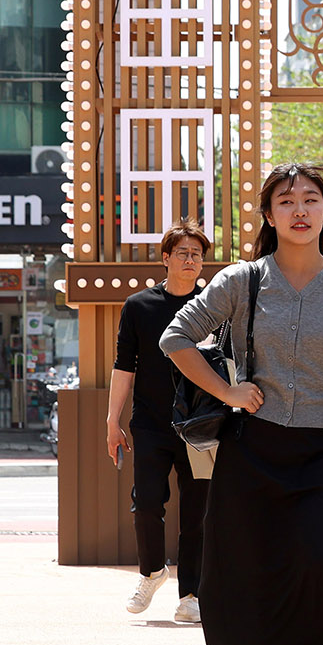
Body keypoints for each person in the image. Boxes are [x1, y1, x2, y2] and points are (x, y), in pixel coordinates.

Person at [160, 164, 323, 645]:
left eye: (311, 200)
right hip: (253, 449)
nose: (300, 210)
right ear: (269, 214)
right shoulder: (242, 280)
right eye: (287, 201)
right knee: (260, 573)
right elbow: (175, 337)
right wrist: (227, 391)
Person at [108, 221, 211, 622]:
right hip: (150, 424)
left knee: (197, 513)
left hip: (201, 426)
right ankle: (152, 571)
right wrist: (111, 420)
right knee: (146, 503)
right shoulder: (139, 306)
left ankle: (191, 595)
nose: (191, 261)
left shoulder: (211, 308)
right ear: (166, 259)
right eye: (183, 253)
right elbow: (123, 366)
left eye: (197, 255)